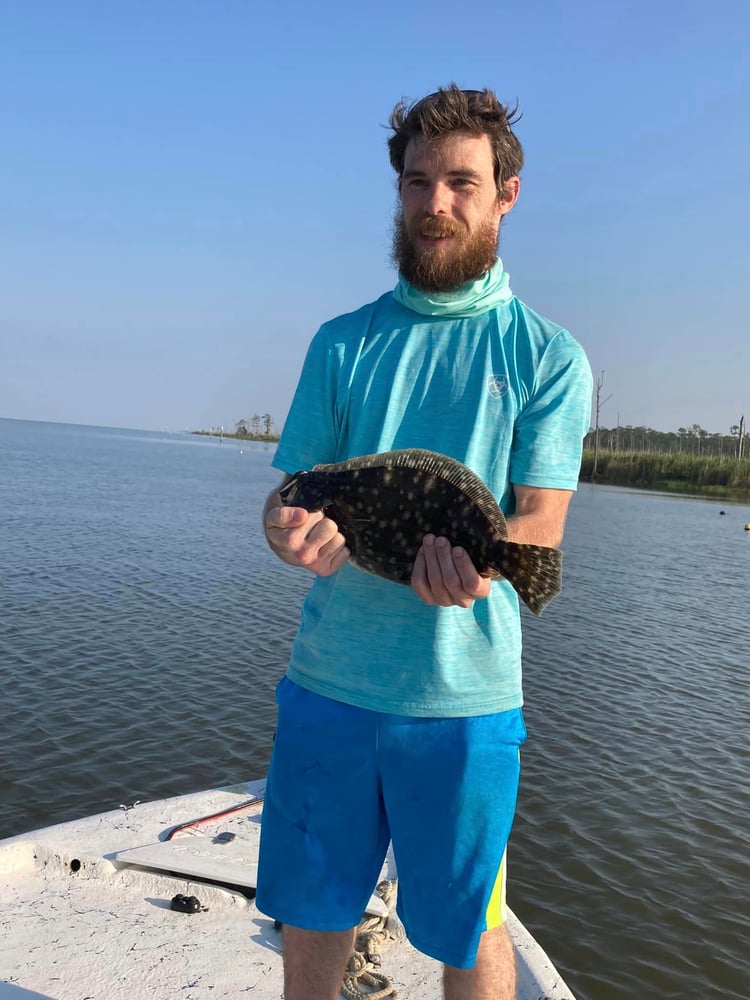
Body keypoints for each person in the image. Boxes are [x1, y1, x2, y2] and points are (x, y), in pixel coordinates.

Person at [257, 84, 593, 1000]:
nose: (435, 204)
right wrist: (287, 534)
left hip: (466, 703)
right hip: (330, 684)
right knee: (312, 909)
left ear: (506, 193)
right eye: (417, 183)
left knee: (467, 927)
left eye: (460, 183)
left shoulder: (548, 356)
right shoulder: (342, 343)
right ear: (397, 192)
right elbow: (290, 496)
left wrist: (484, 568)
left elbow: (540, 524)